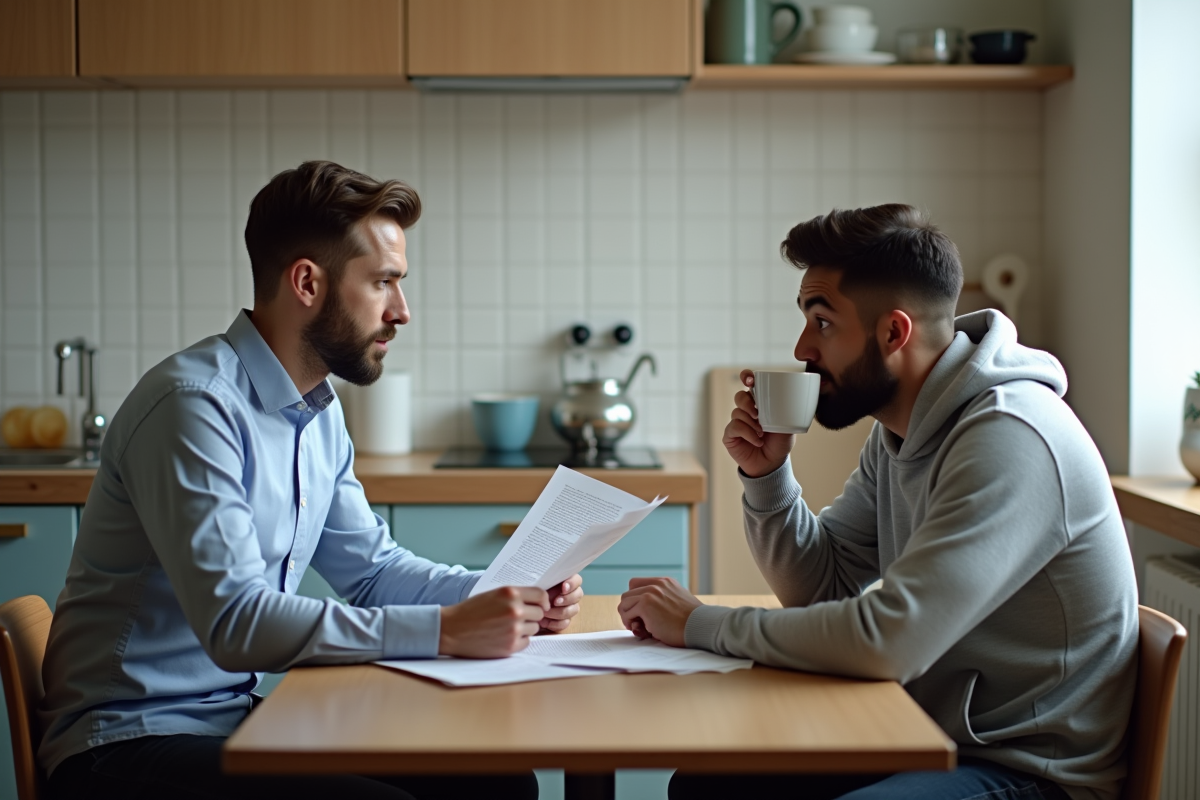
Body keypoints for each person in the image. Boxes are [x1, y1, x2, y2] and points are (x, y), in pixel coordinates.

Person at [39, 160, 582, 800]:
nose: (402, 311)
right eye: (383, 282)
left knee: (496, 784)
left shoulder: (316, 412)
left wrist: (505, 594)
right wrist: (448, 629)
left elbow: (373, 571)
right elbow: (237, 624)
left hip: (231, 719)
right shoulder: (193, 407)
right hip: (127, 742)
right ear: (307, 283)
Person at [618, 204, 1138, 800]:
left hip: (1028, 771)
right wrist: (768, 476)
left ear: (893, 332)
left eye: (823, 323)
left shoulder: (1011, 436)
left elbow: (889, 640)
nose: (802, 349)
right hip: (925, 737)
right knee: (706, 786)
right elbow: (826, 585)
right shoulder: (900, 433)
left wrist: (698, 624)